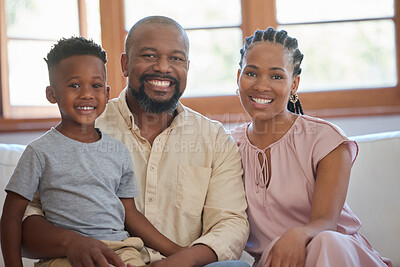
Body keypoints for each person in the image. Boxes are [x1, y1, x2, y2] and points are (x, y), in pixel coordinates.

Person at [20, 17, 250, 267]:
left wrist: (181, 260)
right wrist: (71, 243)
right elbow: (26, 221)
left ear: (187, 66)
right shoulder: (82, 128)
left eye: (176, 58)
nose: (163, 68)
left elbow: (230, 223)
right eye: (149, 56)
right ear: (125, 64)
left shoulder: (215, 139)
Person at [1, 36, 185, 267]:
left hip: (121, 249)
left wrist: (177, 251)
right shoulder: (39, 152)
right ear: (52, 94)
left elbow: (130, 213)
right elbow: (11, 216)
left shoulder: (118, 151)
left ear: (107, 94)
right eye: (74, 85)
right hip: (64, 256)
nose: (87, 94)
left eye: (96, 86)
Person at [230, 27, 393, 267]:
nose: (261, 85)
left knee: (326, 242)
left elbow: (325, 222)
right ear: (238, 77)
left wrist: (298, 234)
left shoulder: (324, 139)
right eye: (251, 73)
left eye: (276, 76)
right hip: (276, 262)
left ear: (294, 84)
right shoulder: (227, 146)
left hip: (337, 255)